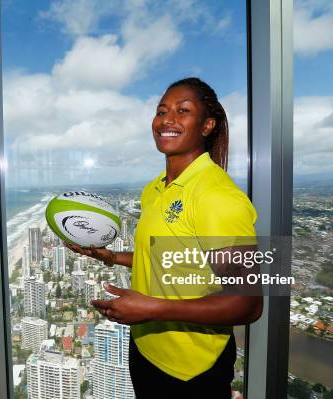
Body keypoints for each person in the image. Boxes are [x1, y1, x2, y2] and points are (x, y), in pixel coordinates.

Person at [65, 77, 262, 398]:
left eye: (183, 110)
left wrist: (153, 308)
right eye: (161, 111)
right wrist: (112, 257)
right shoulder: (155, 188)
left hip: (191, 369)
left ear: (207, 125)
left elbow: (249, 304)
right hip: (146, 348)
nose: (167, 119)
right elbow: (172, 255)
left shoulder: (218, 197)